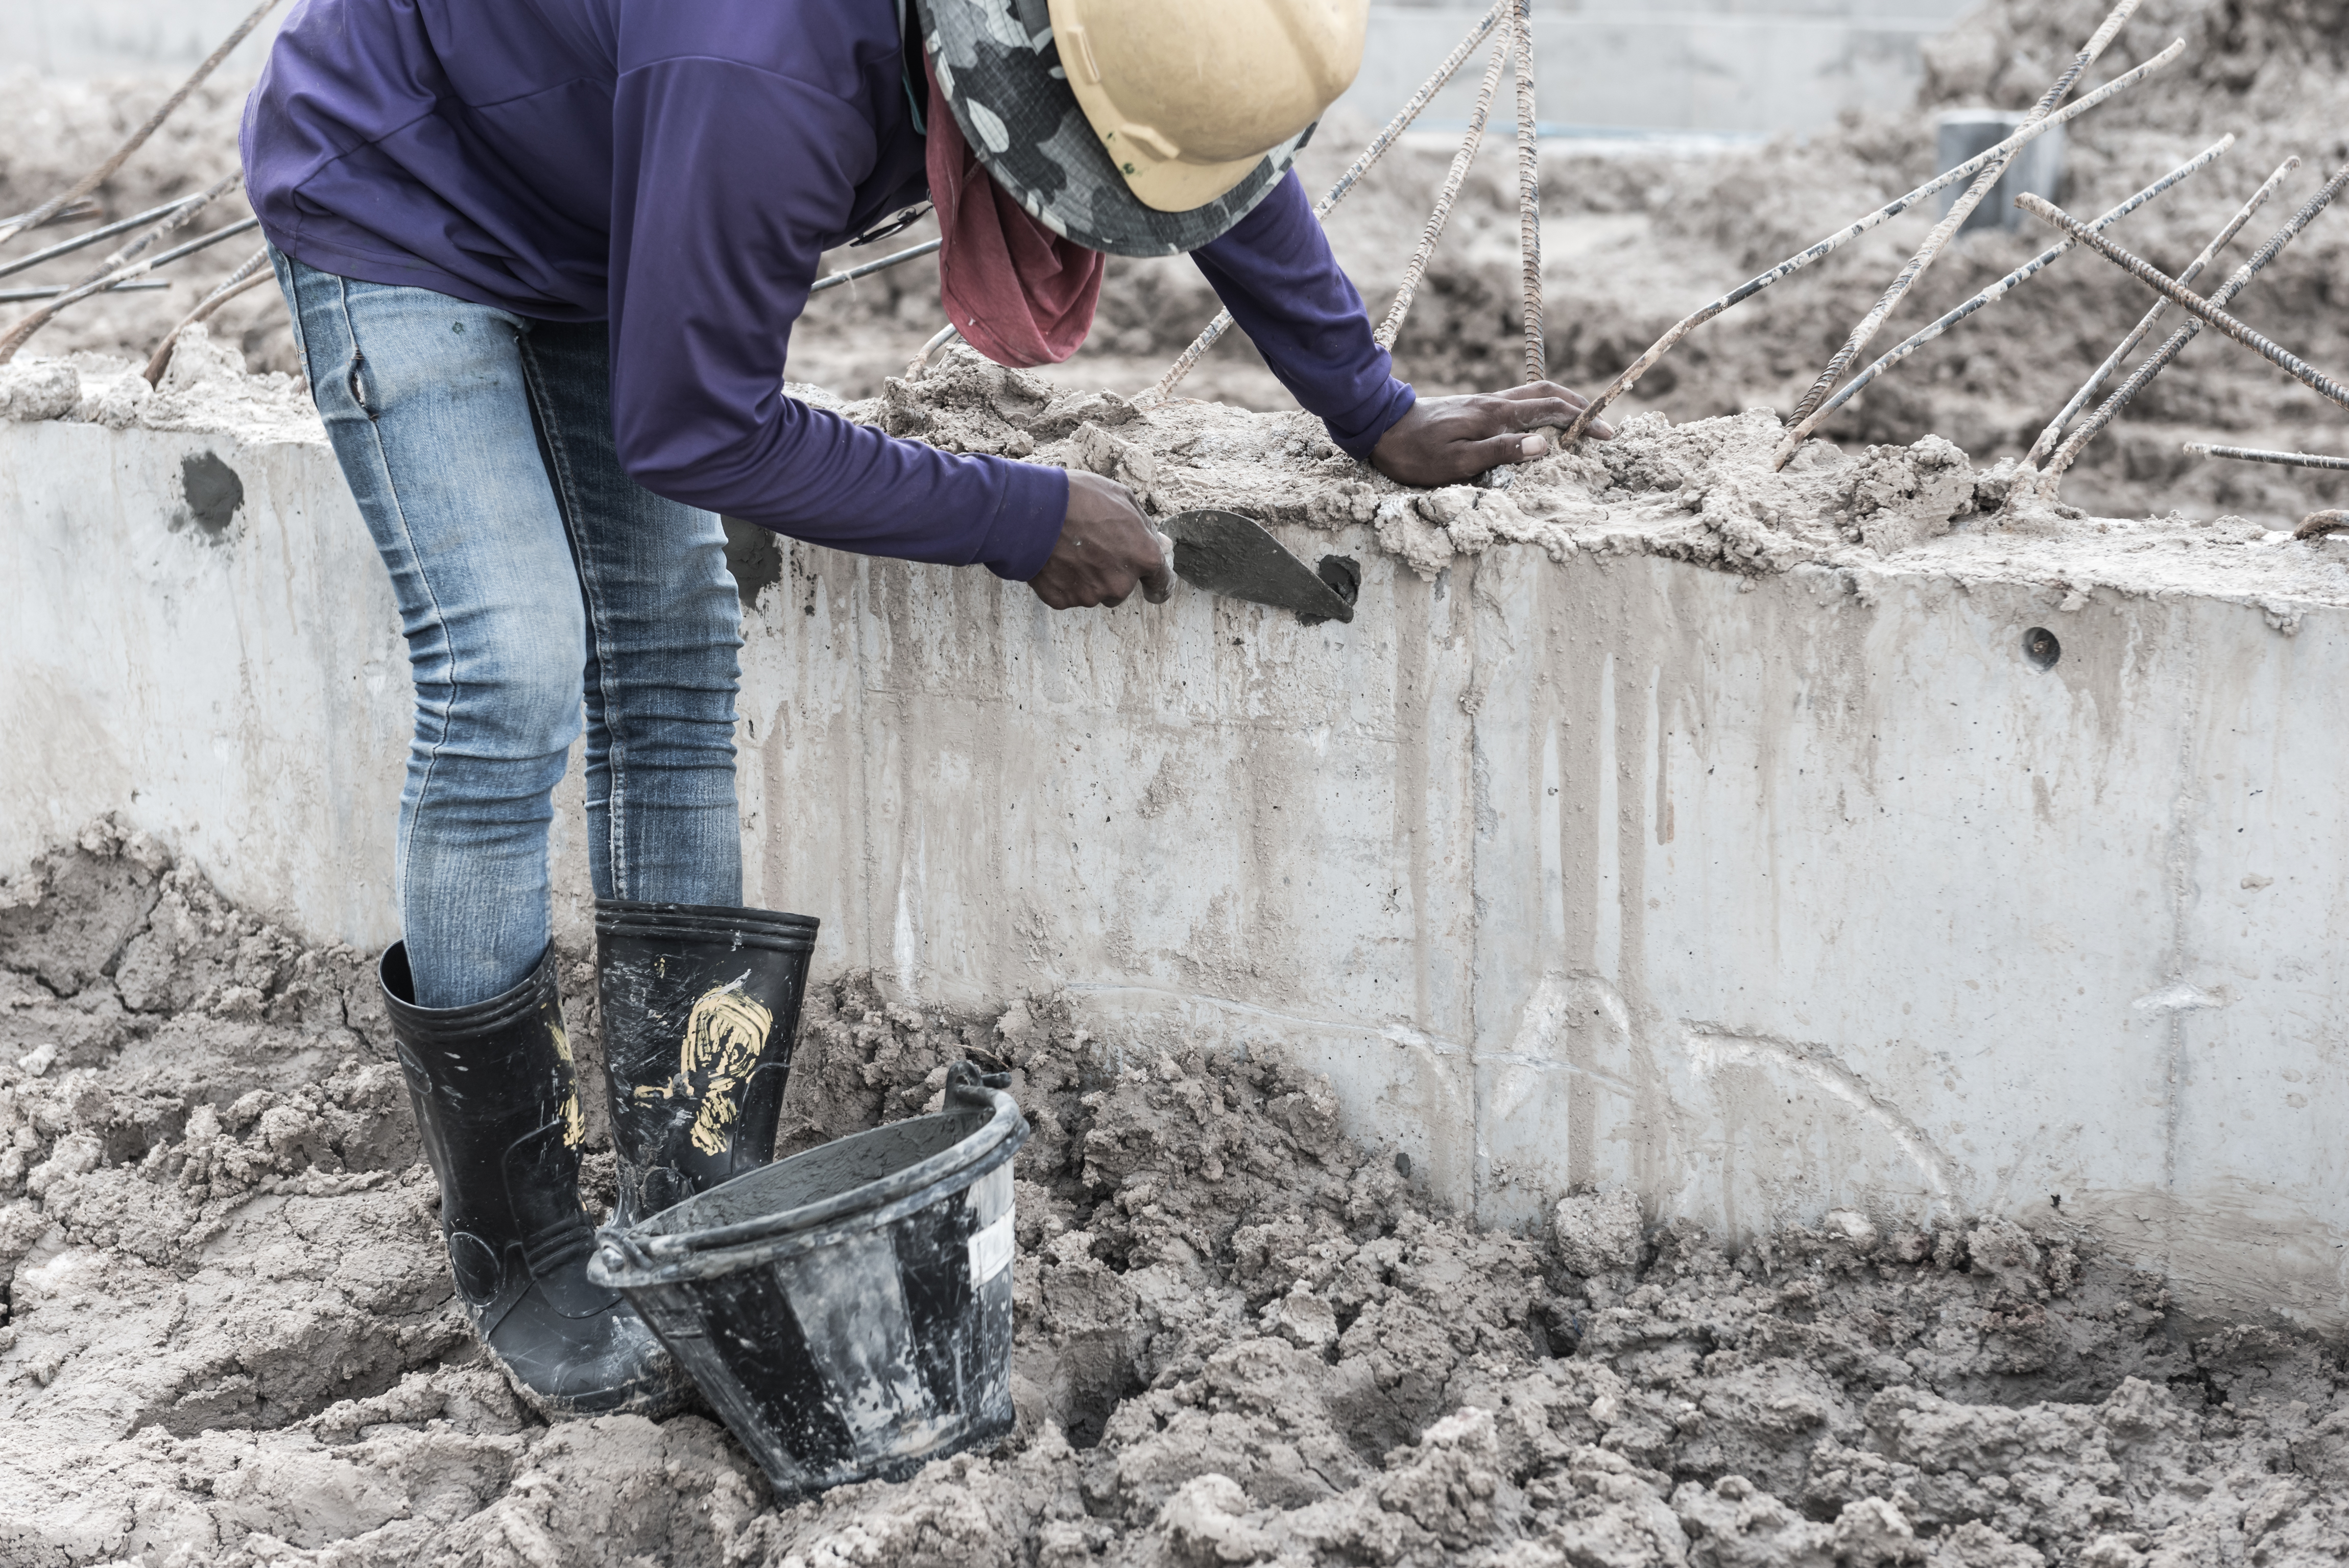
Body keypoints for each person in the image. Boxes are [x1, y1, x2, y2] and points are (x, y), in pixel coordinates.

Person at [240, 0, 1616, 1416]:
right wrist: (1015, 515)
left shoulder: (1069, 25)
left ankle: (686, 1192)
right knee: (511, 665)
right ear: (1006, 84)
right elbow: (699, 423)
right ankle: (522, 1250)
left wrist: (1367, 403)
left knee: (672, 645)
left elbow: (1196, 143)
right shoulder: (761, 71)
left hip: (616, 184)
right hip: (404, 190)